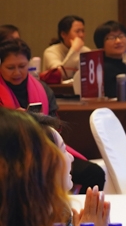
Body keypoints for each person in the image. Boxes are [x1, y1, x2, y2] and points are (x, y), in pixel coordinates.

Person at [0, 39, 106, 192]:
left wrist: (37, 123)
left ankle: (76, 206)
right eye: (10, 67)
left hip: (44, 147)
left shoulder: (42, 88)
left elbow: (55, 124)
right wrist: (13, 120)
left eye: (22, 66)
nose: (17, 72)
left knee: (93, 173)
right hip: (8, 154)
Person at [41, 16, 90, 81]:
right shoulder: (50, 52)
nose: (81, 35)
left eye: (83, 31)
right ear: (63, 34)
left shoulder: (85, 51)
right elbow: (61, 74)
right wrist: (74, 50)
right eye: (77, 31)